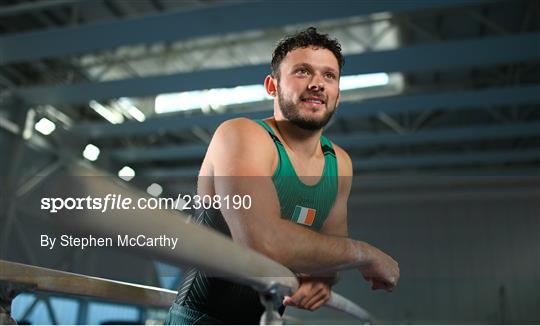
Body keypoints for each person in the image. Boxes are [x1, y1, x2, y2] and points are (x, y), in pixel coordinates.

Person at [167, 27, 399, 325]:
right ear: (272, 85)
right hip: (200, 319)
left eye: (329, 76)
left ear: (338, 94)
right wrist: (365, 253)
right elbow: (261, 242)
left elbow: (332, 256)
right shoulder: (242, 134)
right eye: (303, 72)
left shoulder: (339, 162)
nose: (317, 84)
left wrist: (323, 280)